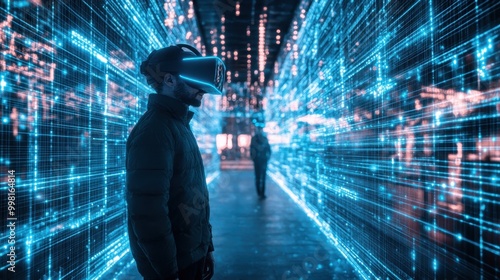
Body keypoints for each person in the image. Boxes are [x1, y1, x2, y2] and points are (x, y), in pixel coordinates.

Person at [126, 44, 225, 280]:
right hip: (176, 265)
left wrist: (205, 247)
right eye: (195, 80)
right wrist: (169, 272)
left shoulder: (178, 125)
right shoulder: (154, 132)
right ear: (169, 80)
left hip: (191, 256)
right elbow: (148, 214)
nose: (203, 90)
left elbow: (195, 193)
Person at [250, 126, 271, 199]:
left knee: (261, 177)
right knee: (259, 177)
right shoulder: (255, 139)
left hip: (262, 160)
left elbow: (268, 149)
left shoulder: (259, 139)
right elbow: (251, 149)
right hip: (259, 160)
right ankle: (260, 193)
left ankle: (261, 193)